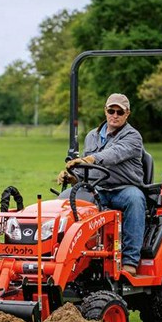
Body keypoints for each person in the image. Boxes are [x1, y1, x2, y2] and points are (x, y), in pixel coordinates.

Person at [57, 93, 147, 277]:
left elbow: (115, 154)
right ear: (105, 111)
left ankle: (130, 260)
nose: (115, 115)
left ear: (127, 114)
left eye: (119, 112)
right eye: (111, 110)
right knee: (66, 199)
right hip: (98, 188)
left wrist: (91, 158)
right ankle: (61, 253)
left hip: (124, 187)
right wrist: (72, 176)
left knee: (135, 199)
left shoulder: (133, 136)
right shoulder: (92, 136)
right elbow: (85, 170)